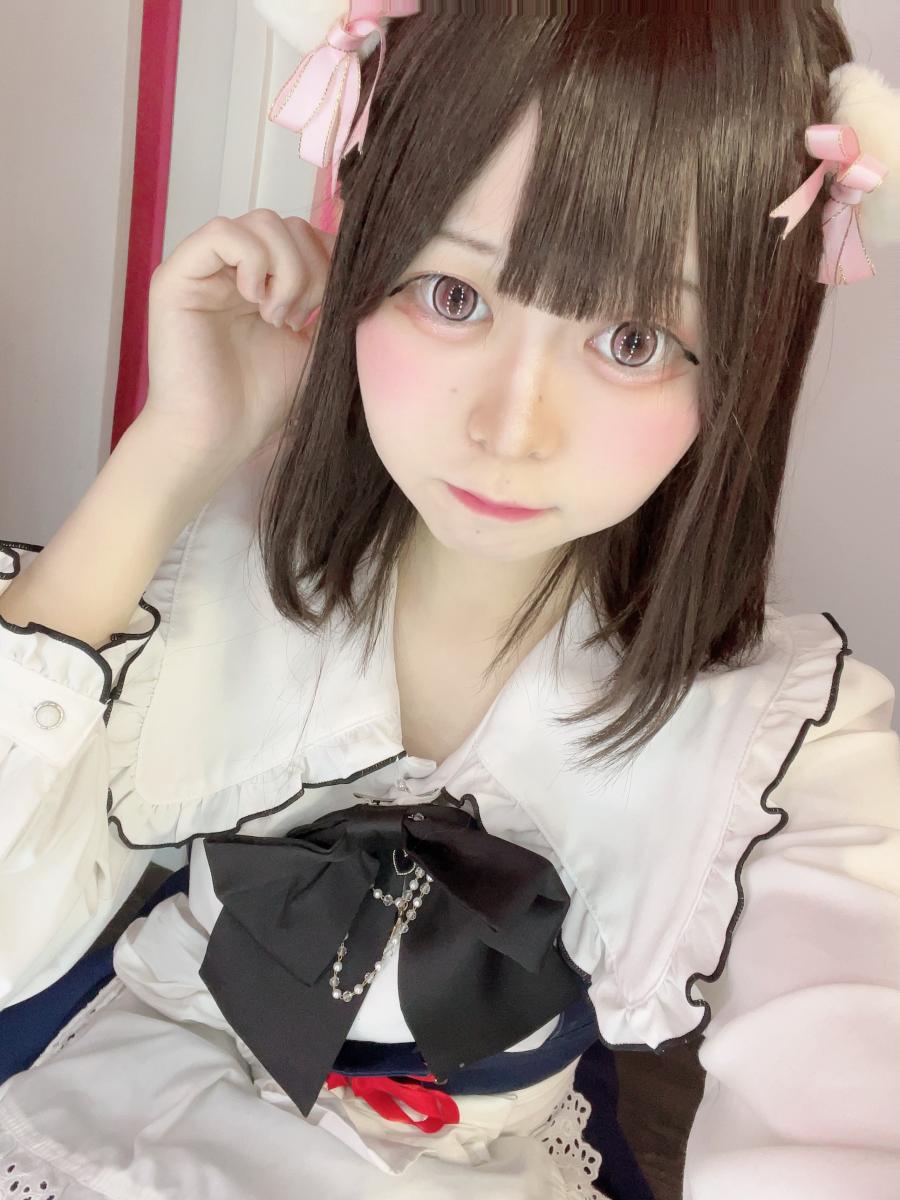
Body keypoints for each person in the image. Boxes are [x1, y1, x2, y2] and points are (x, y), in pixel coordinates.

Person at [0, 4, 898, 1197]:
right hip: (115, 1113)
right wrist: (172, 452)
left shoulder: (786, 744)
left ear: (744, 361)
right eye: (453, 295)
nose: (509, 430)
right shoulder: (204, 571)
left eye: (633, 338)